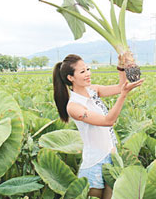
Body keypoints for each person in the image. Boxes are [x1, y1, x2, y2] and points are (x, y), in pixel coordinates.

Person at [52, 54, 144, 199]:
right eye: (82, 72)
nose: (88, 74)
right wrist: (124, 95)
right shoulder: (74, 106)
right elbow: (108, 121)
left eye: (87, 69)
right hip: (95, 163)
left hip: (111, 156)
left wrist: (121, 67)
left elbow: (120, 87)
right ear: (71, 78)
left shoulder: (93, 90)